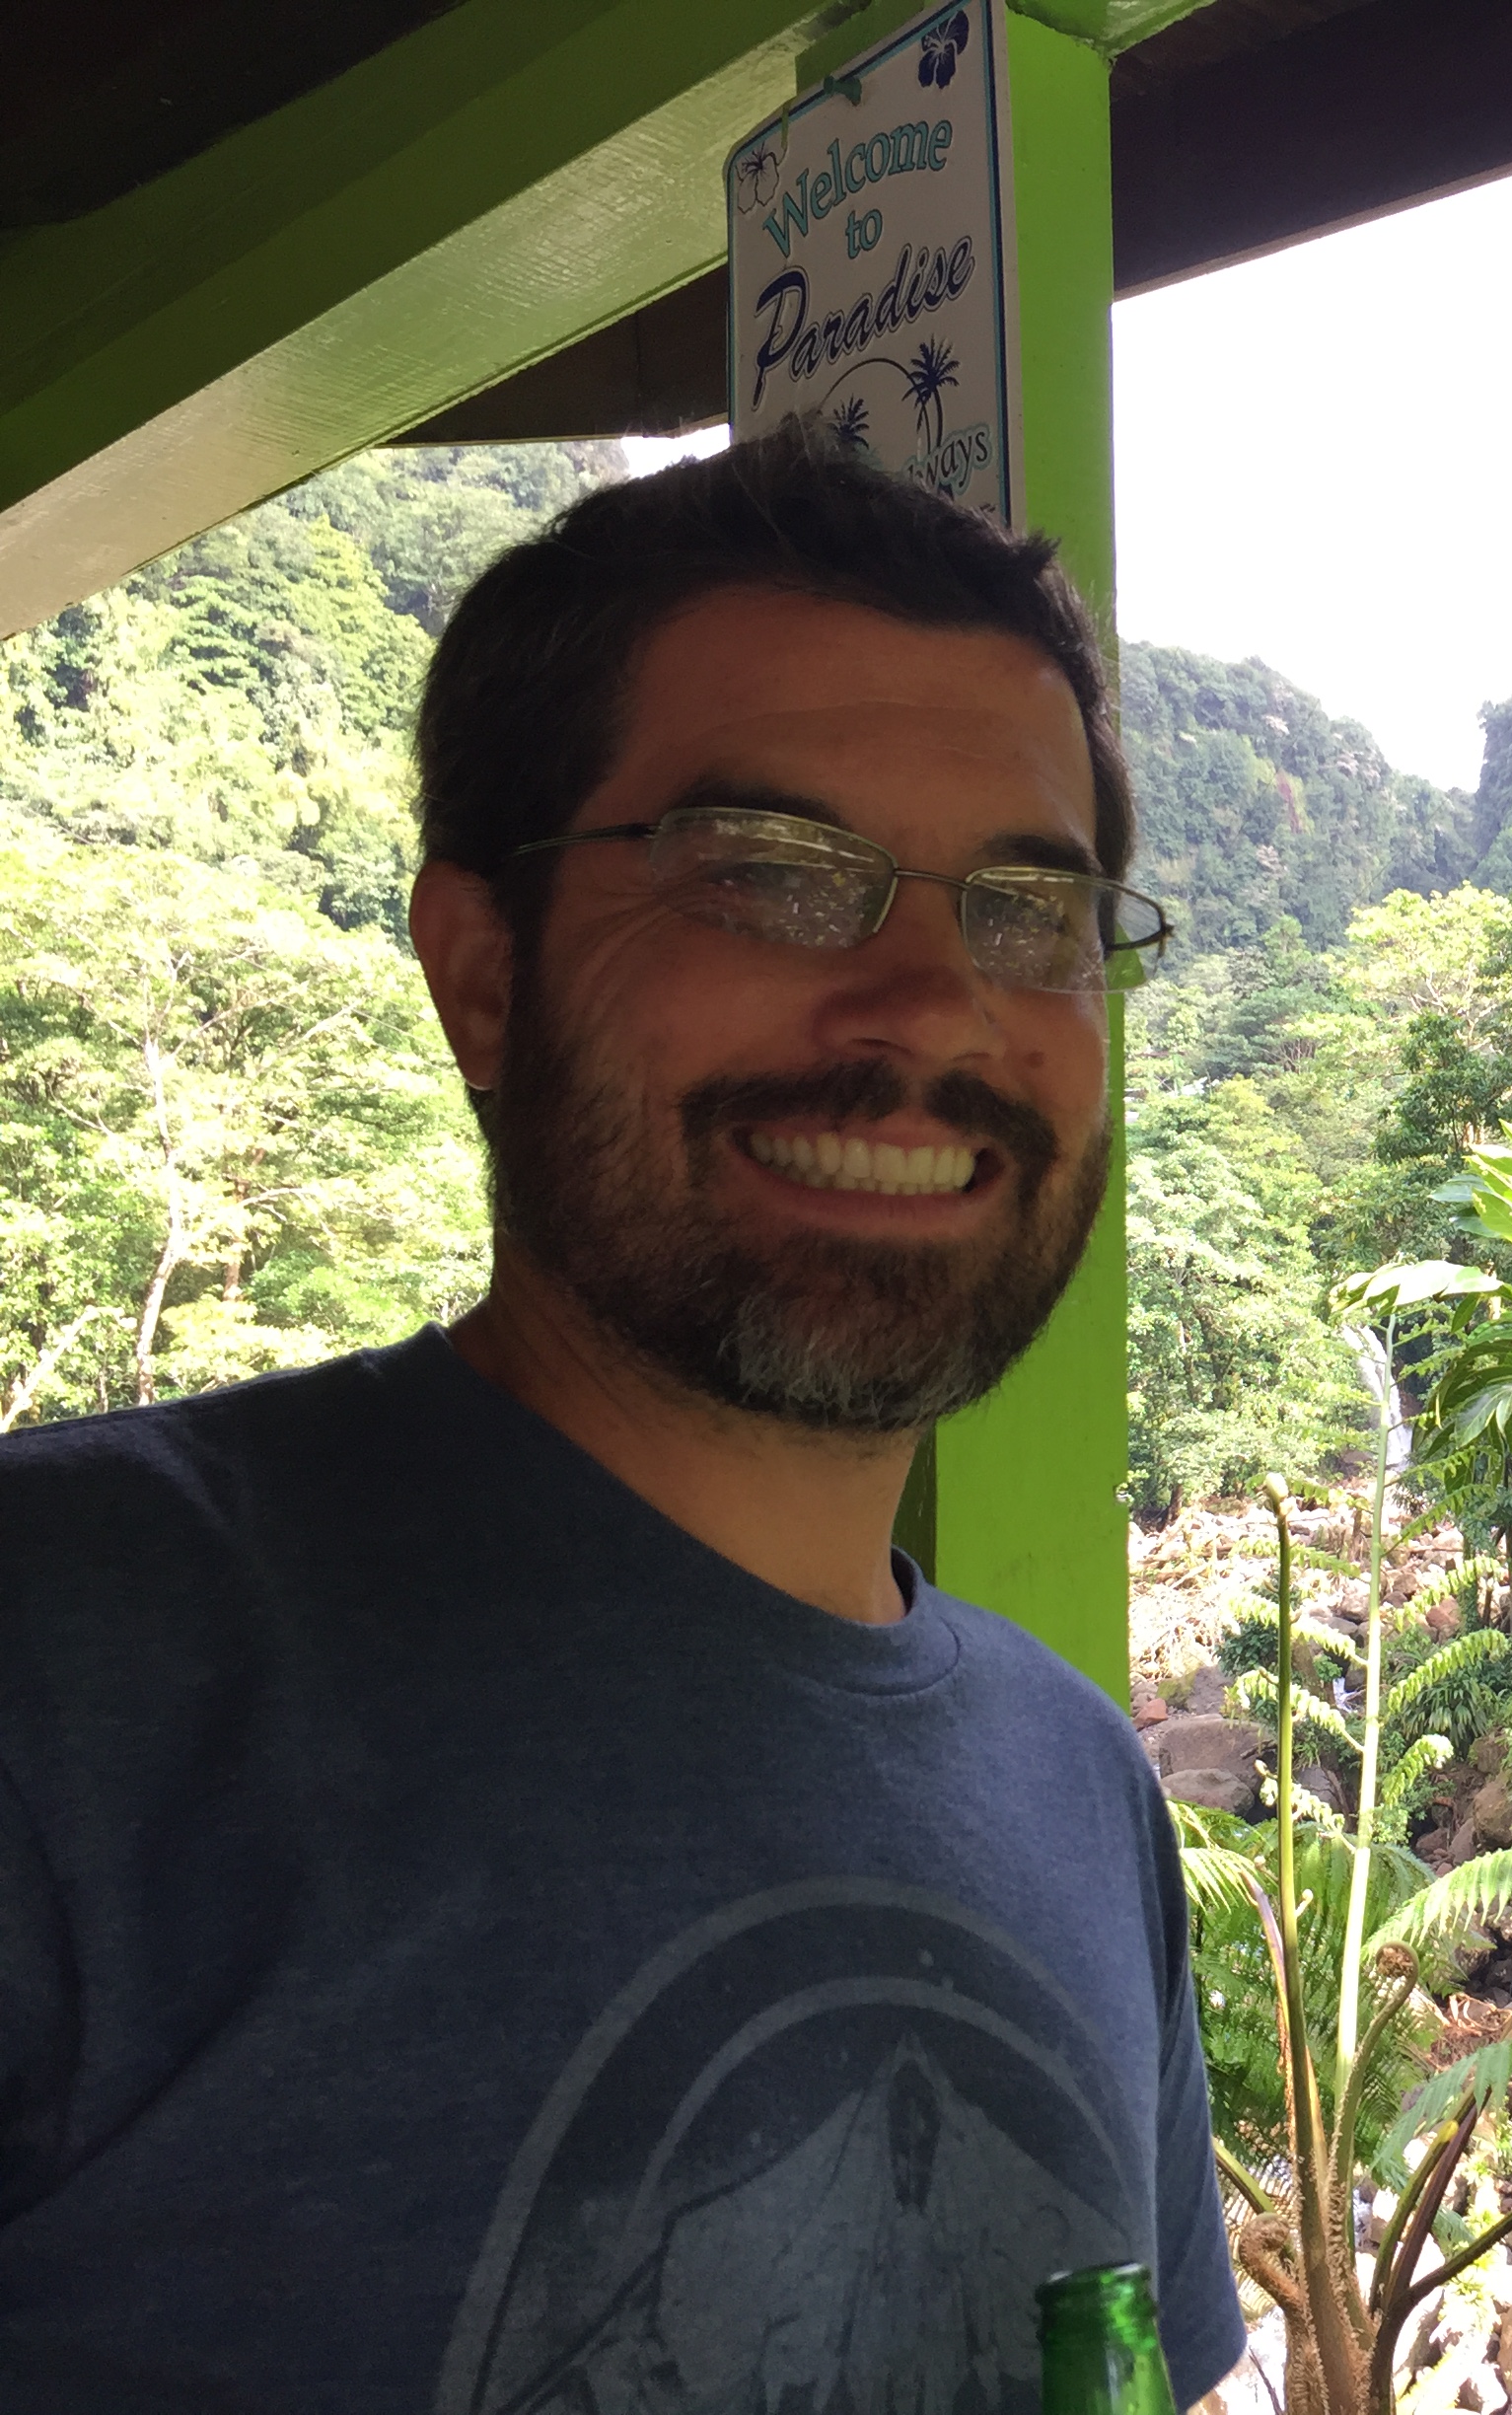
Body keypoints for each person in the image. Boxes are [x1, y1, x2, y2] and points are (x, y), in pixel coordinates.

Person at [0, 432, 1243, 2412]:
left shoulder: (1081, 1785)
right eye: (772, 878)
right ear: (483, 976)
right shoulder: (67, 1658)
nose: (935, 1003)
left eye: (1033, 909)